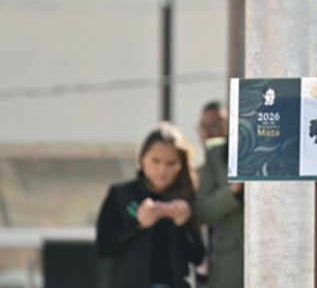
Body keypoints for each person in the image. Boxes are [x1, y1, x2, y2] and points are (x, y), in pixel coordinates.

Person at [96, 122, 205, 288]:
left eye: (171, 163)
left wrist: (183, 225)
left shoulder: (187, 198)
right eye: (156, 161)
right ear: (142, 158)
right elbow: (104, 248)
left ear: (181, 166)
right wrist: (138, 225)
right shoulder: (121, 194)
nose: (162, 170)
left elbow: (197, 256)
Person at [193, 101, 244, 288]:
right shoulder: (212, 159)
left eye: (215, 125)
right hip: (226, 262)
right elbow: (200, 210)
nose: (208, 132)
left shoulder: (252, 150)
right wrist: (233, 191)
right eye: (203, 127)